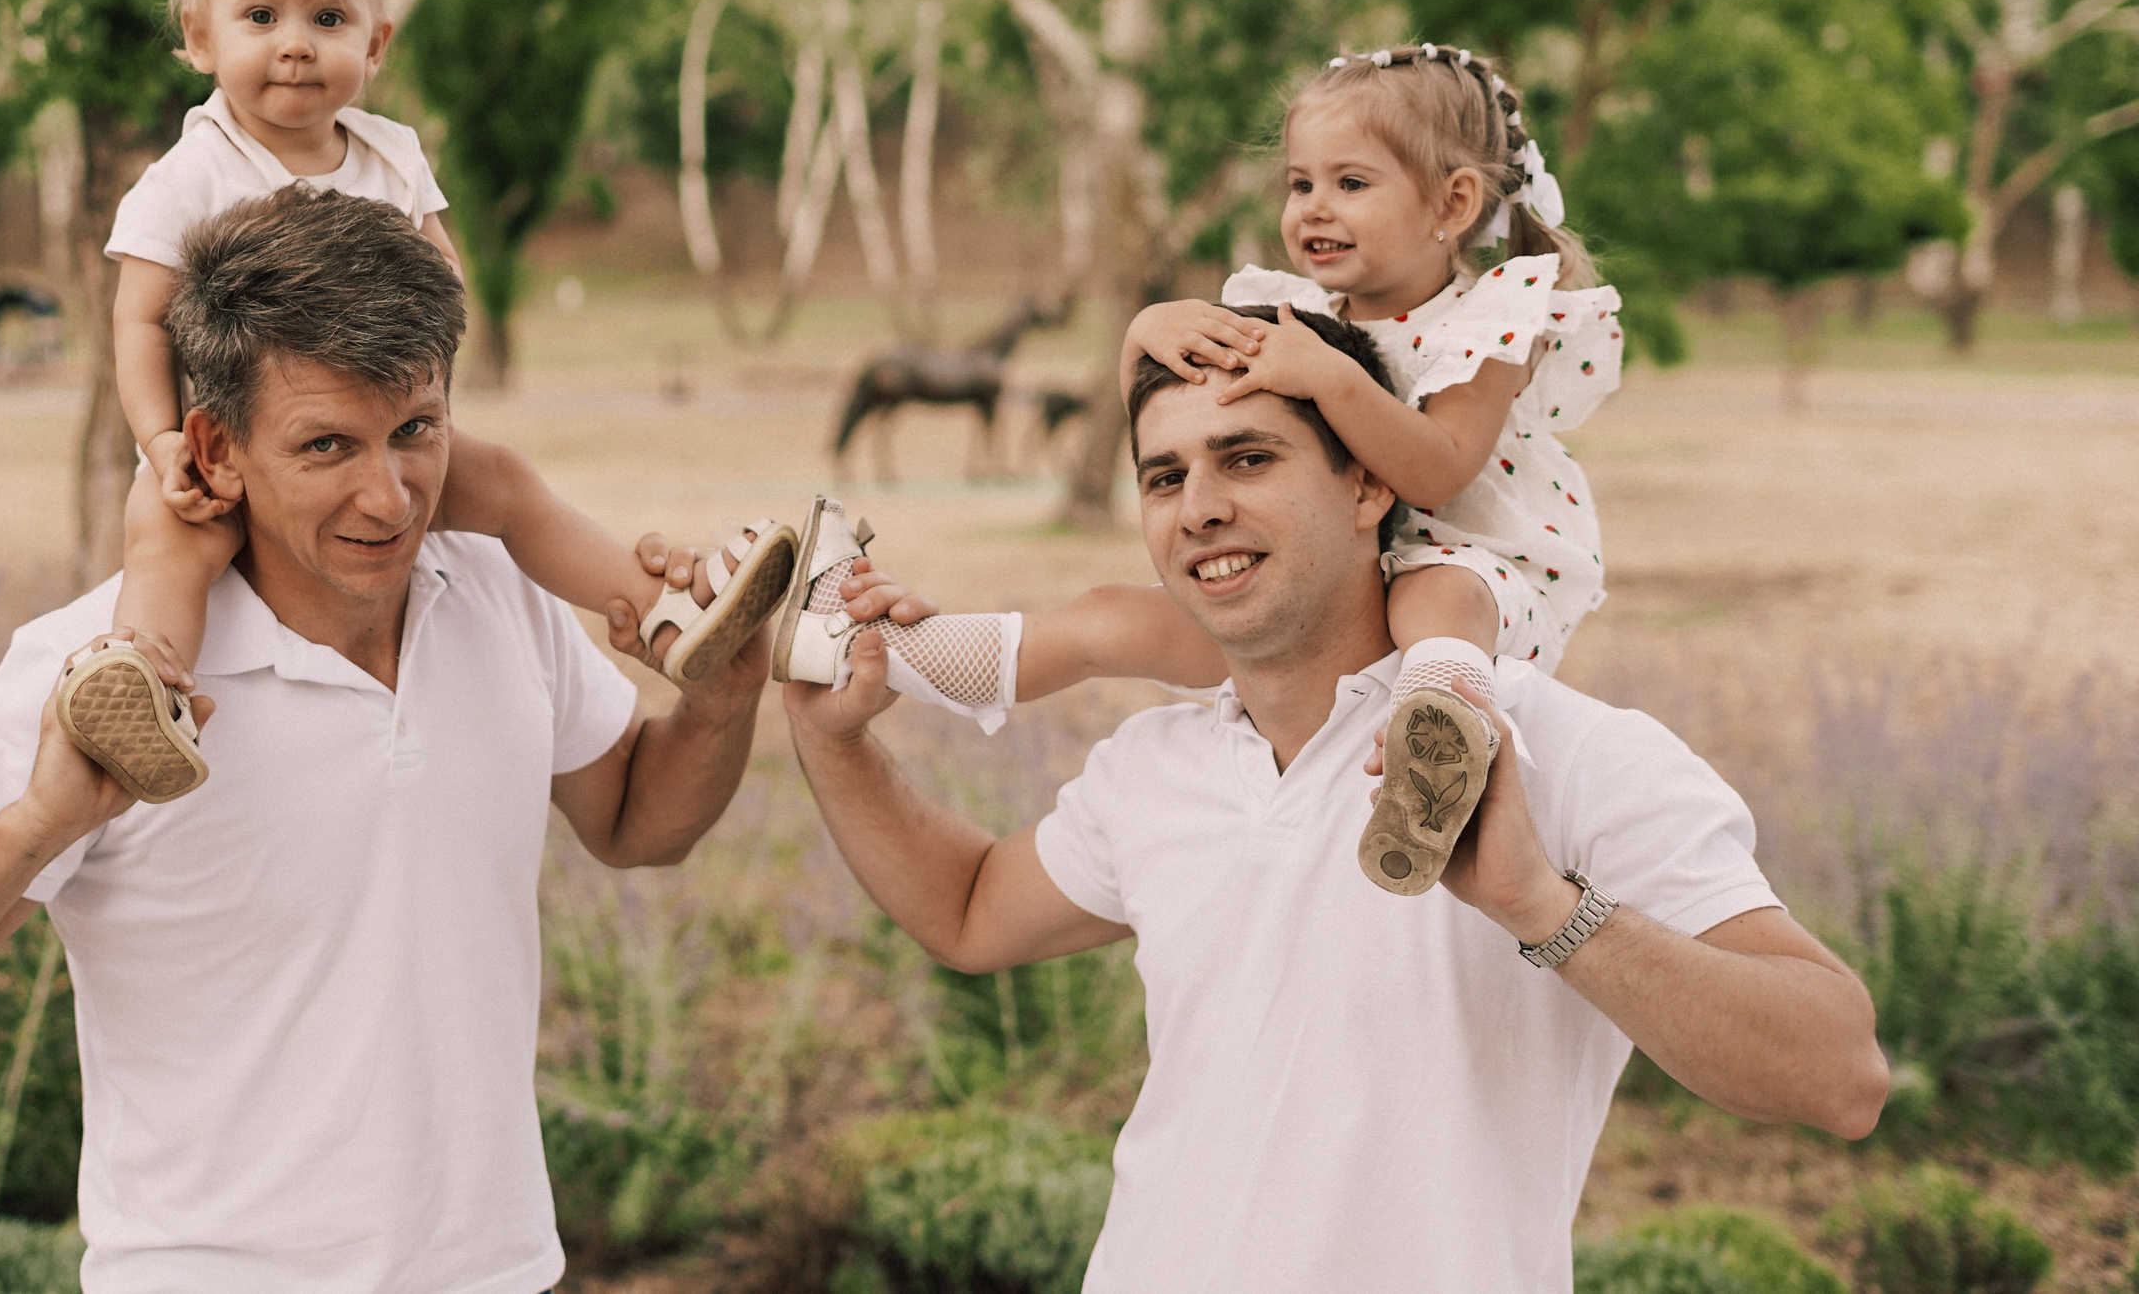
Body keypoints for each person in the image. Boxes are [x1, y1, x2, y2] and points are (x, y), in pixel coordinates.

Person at [0, 188, 772, 1294]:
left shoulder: (500, 591)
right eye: (326, 446)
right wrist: (40, 822)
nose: (390, 494)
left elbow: (638, 823)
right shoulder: (103, 668)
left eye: (416, 430)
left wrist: (721, 705)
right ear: (213, 448)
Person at [782, 316, 1888, 1293]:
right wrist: (832, 741)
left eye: (1247, 458)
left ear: (1368, 486)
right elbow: (971, 910)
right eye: (1163, 479)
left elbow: (1838, 1073)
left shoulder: (1566, 753)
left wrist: (1540, 908)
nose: (1200, 509)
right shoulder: (1151, 764)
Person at [66, 0, 793, 804]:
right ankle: (145, 681)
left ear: (376, 44)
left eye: (328, 20)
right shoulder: (188, 175)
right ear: (198, 37)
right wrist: (160, 443)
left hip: (366, 444)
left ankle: (661, 610)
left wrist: (415, 415)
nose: (294, 46)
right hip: (233, 445)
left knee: (505, 484)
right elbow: (138, 318)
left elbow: (443, 286)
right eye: (260, 18)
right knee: (165, 535)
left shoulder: (389, 155)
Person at [773, 44, 1618, 894]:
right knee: (1107, 619)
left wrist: (1331, 377)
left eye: (1350, 184)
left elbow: (1435, 473)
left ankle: (1437, 741)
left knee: (1438, 595)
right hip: (1312, 586)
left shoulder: (1489, 319)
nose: (1314, 208)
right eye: (1299, 184)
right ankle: (870, 647)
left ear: (1454, 200)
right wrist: (1145, 331)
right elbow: (1171, 421)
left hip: (1462, 566)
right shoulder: (1291, 307)